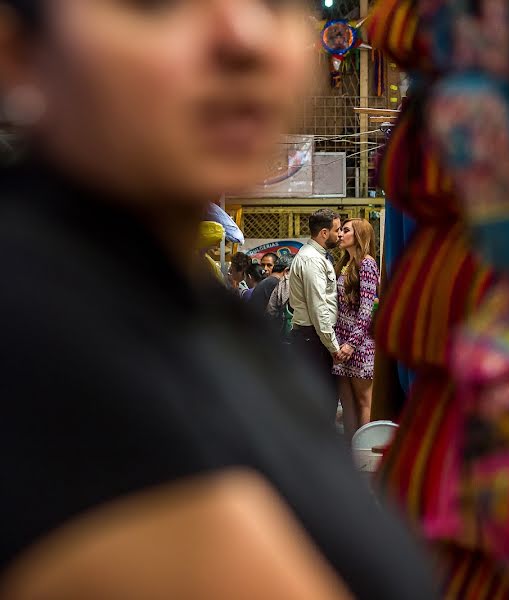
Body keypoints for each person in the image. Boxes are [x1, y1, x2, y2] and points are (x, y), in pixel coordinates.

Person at [0, 2, 436, 599]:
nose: (246, 37)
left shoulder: (198, 315)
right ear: (18, 49)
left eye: (276, 4)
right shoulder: (39, 336)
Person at [289, 209, 342, 416]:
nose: (339, 235)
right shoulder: (312, 260)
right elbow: (318, 307)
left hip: (313, 338)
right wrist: (333, 346)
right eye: (337, 230)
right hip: (313, 340)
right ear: (323, 233)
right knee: (320, 403)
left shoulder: (318, 256)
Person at [333, 219, 380, 437]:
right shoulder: (345, 264)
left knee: (363, 402)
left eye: (345, 230)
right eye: (340, 230)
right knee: (347, 403)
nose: (340, 234)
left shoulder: (367, 264)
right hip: (340, 343)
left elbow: (366, 309)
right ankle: (351, 456)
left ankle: (362, 455)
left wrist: (352, 343)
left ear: (359, 235)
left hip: (359, 345)